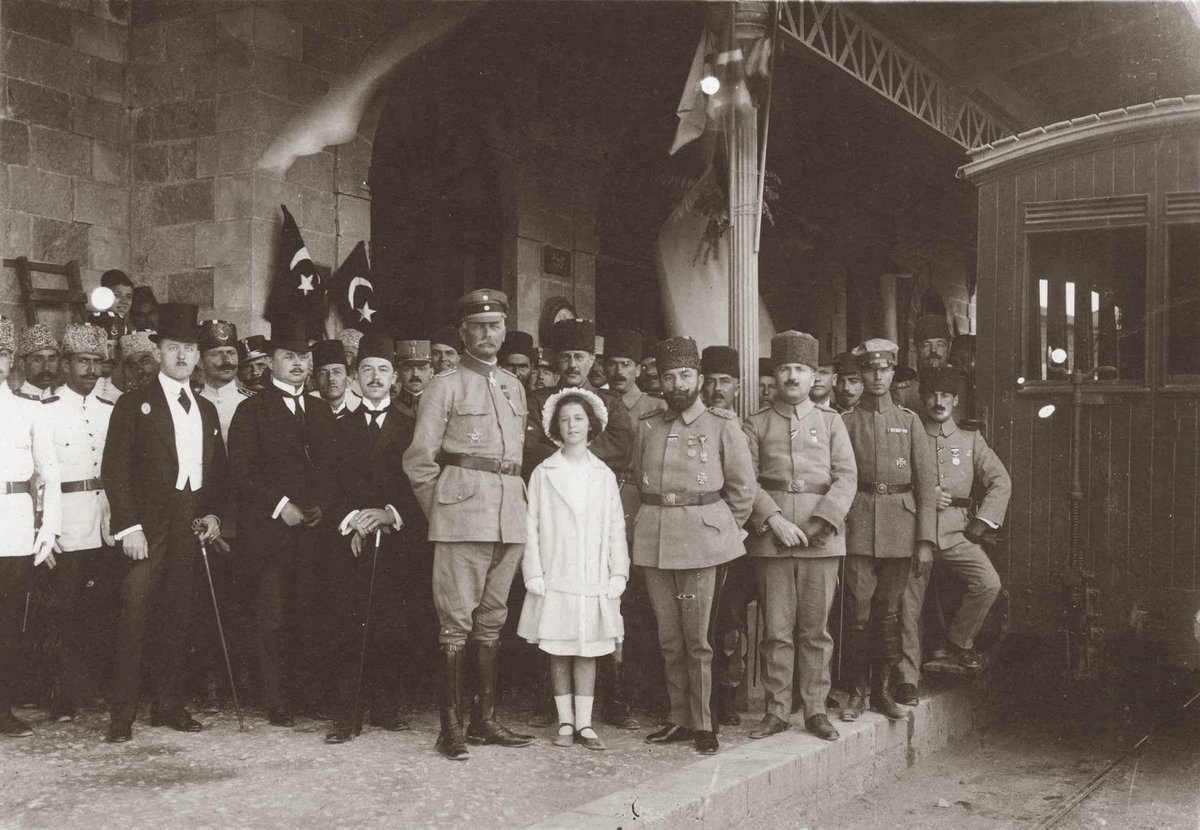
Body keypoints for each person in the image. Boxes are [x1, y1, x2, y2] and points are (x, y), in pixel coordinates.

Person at [402, 288, 534, 761]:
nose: (488, 333)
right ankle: (450, 728)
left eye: (495, 325)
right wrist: (442, 512)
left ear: (503, 329)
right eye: (478, 326)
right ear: (463, 333)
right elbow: (420, 461)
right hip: (462, 517)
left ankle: (486, 720)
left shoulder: (513, 386)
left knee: (492, 621)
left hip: (509, 517)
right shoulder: (445, 384)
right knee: (455, 624)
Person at [101, 303, 225, 743]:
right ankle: (122, 714)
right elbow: (114, 471)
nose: (182, 357)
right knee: (134, 614)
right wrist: (129, 528)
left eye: (189, 349)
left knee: (179, 614)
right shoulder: (135, 405)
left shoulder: (206, 410)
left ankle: (169, 705)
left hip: (188, 520)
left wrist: (212, 514)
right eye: (174, 348)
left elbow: (218, 476)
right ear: (160, 352)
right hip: (147, 525)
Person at [633, 337, 756, 756]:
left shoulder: (723, 426)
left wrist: (721, 533)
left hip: (703, 543)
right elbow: (640, 480)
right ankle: (678, 718)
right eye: (669, 376)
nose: (677, 383)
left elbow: (743, 491)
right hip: (655, 539)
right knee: (669, 638)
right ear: (660, 382)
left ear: (699, 379)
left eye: (685, 375)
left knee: (699, 638)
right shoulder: (648, 424)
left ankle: (704, 723)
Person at [742, 331, 857, 742]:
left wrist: (820, 522)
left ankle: (815, 709)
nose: (793, 376)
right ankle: (775, 711)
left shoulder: (832, 423)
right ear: (775, 375)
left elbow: (846, 478)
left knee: (815, 630)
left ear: (814, 377)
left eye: (801, 370)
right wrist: (774, 520)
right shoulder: (756, 423)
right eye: (786, 368)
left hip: (821, 539)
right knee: (775, 629)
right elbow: (746, 481)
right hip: (773, 539)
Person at [228, 318, 341, 728]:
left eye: (303, 357)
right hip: (270, 534)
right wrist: (282, 506)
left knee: (308, 613)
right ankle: (276, 700)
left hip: (312, 532)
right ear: (271, 362)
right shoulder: (251, 410)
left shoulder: (318, 408)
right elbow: (241, 472)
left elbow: (332, 469)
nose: (298, 364)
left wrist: (321, 507)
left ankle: (307, 693)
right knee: (272, 617)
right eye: (288, 357)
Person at [518, 388, 629, 751]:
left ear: (591, 424)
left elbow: (616, 527)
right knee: (559, 647)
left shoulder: (603, 474)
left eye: (578, 418)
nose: (572, 425)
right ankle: (565, 720)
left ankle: (585, 723)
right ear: (555, 426)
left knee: (588, 649)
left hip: (593, 573)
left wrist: (618, 573)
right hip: (556, 572)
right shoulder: (543, 472)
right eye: (564, 419)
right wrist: (533, 571)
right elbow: (531, 524)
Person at [325, 332, 422, 744]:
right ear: (354, 378)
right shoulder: (336, 426)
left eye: (383, 370)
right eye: (367, 370)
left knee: (391, 623)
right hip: (351, 539)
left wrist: (388, 515)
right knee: (348, 623)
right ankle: (348, 713)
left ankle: (387, 707)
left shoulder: (413, 427)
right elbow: (326, 485)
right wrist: (352, 520)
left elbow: (420, 483)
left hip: (395, 539)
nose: (376, 377)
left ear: (395, 379)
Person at [895, 366, 1009, 705]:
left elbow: (1000, 481)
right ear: (923, 398)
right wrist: (924, 493)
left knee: (988, 582)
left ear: (956, 401)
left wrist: (983, 522)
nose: (938, 401)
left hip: (957, 531)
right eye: (932, 395)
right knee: (908, 607)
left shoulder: (970, 439)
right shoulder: (909, 433)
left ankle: (958, 643)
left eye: (945, 395)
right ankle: (907, 679)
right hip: (915, 532)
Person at [840, 338, 936, 723]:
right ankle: (856, 694)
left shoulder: (909, 422)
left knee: (889, 612)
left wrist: (925, 540)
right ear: (861, 375)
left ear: (893, 372)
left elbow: (926, 486)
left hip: (900, 526)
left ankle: (882, 691)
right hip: (858, 524)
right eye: (869, 370)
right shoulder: (845, 422)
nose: (877, 376)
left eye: (884, 369)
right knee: (858, 611)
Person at [42, 324, 118, 723]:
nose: (91, 368)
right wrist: (45, 528)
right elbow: (40, 476)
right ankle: (64, 695)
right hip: (65, 524)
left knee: (102, 611)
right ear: (67, 365)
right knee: (64, 613)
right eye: (83, 361)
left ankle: (97, 689)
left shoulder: (111, 410)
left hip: (104, 522)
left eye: (96, 362)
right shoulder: (47, 410)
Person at [599, 329, 666, 729]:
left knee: (644, 607)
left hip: (643, 509)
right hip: (606, 509)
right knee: (610, 604)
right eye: (613, 363)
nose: (619, 370)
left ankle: (648, 691)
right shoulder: (598, 404)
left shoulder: (656, 407)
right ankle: (613, 694)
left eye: (627, 364)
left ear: (640, 369)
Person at [0, 315, 61, 737]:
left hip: (16, 525)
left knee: (8, 624)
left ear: (8, 361)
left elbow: (50, 475)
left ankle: (2, 710)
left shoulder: (27, 409)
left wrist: (48, 529)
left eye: (0, 355)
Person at [194, 319, 252, 712]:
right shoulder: (189, 401)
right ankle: (208, 680)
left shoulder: (252, 401)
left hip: (245, 519)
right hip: (202, 518)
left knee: (241, 603)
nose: (225, 359)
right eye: (216, 353)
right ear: (201, 359)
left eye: (230, 352)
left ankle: (245, 679)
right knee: (201, 603)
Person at [699, 344, 754, 726]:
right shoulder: (695, 426)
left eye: (726, 382)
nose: (718, 389)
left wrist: (730, 531)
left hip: (737, 541)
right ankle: (702, 700)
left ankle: (728, 695)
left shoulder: (745, 429)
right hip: (700, 539)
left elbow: (750, 487)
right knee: (702, 621)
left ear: (738, 385)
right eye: (712, 381)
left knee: (731, 621)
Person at [525, 319, 633, 476]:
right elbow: (531, 446)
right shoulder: (537, 401)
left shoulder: (610, 402)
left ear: (592, 359)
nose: (572, 365)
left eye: (579, 357)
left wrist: (568, 453)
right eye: (565, 358)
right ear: (557, 360)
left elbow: (621, 447)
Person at [896, 315, 953, 411]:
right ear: (916, 350)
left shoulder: (963, 389)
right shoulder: (904, 393)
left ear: (948, 349)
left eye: (940, 345)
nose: (933, 350)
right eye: (926, 345)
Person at [311, 339, 360, 419]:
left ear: (348, 380)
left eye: (337, 372)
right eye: (323, 373)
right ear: (315, 382)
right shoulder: (305, 417)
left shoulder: (359, 418)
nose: (330, 378)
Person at [16, 323, 60, 401]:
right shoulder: (10, 403)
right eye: (38, 360)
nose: (46, 367)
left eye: (51, 359)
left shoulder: (64, 403)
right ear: (22, 364)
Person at [394, 339, 433, 420]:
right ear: (398, 374)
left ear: (431, 372)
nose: (415, 374)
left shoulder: (442, 407)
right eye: (408, 369)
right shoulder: (390, 406)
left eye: (422, 368)